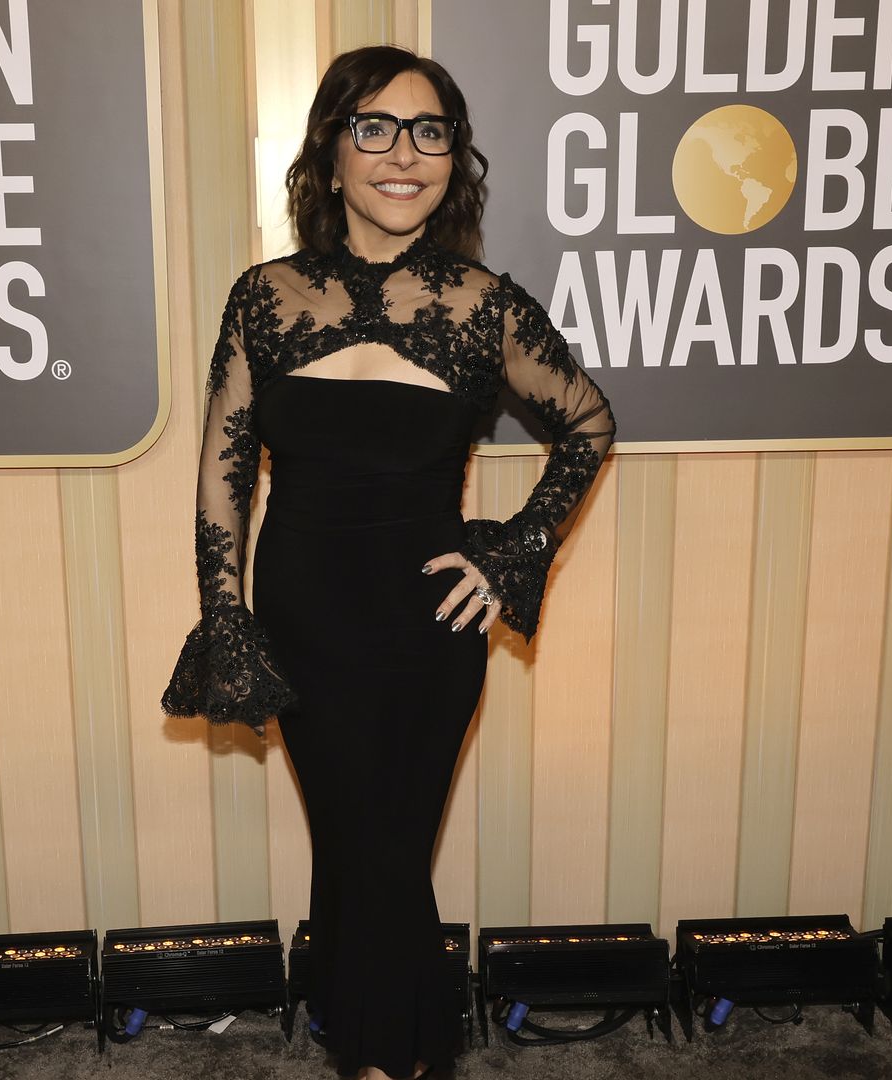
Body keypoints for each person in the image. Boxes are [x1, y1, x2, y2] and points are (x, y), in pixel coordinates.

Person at [161, 44, 615, 1080]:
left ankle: (382, 1058)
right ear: (329, 156)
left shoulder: (482, 304)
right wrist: (226, 619)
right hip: (307, 619)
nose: (403, 154)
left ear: (455, 159)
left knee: (390, 849)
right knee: (358, 846)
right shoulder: (265, 299)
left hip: (430, 629)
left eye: (430, 131)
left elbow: (588, 423)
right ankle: (398, 1056)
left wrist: (513, 552)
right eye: (374, 128)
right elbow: (223, 474)